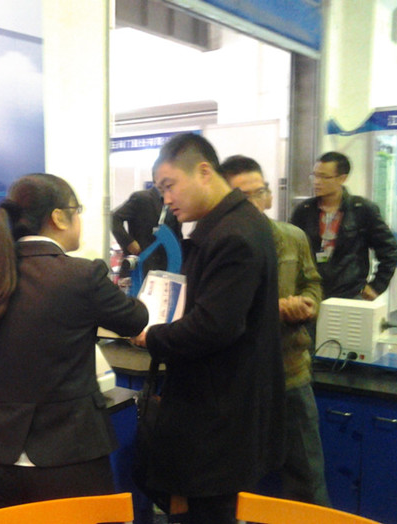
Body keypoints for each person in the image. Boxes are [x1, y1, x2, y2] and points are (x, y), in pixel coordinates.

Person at [0, 173, 148, 510]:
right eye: (78, 211)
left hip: (2, 460)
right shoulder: (82, 275)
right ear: (58, 217)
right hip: (72, 457)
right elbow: (135, 319)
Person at [131, 134, 285, 524]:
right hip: (215, 407)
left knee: (208, 512)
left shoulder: (233, 235)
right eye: (160, 190)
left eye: (170, 186)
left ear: (203, 172)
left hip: (219, 415)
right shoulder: (228, 225)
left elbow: (214, 326)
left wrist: (152, 337)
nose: (166, 199)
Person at [220, 155, 330, 507]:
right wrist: (277, 309)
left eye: (260, 192)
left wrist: (309, 303)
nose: (255, 203)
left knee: (307, 479)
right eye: (243, 196)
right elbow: (218, 313)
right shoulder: (218, 246)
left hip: (291, 373)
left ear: (268, 196)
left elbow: (312, 282)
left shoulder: (292, 237)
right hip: (240, 381)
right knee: (236, 481)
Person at [290, 151, 397, 300]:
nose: (317, 182)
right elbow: (291, 249)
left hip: (350, 292)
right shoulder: (304, 210)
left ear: (342, 178)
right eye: (314, 176)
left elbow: (389, 250)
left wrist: (377, 286)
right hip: (311, 292)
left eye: (324, 177)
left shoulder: (362, 209)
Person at [111, 165, 183, 275]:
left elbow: (177, 236)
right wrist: (129, 242)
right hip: (141, 267)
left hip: (167, 269)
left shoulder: (175, 202)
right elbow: (114, 218)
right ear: (156, 178)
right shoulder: (141, 198)